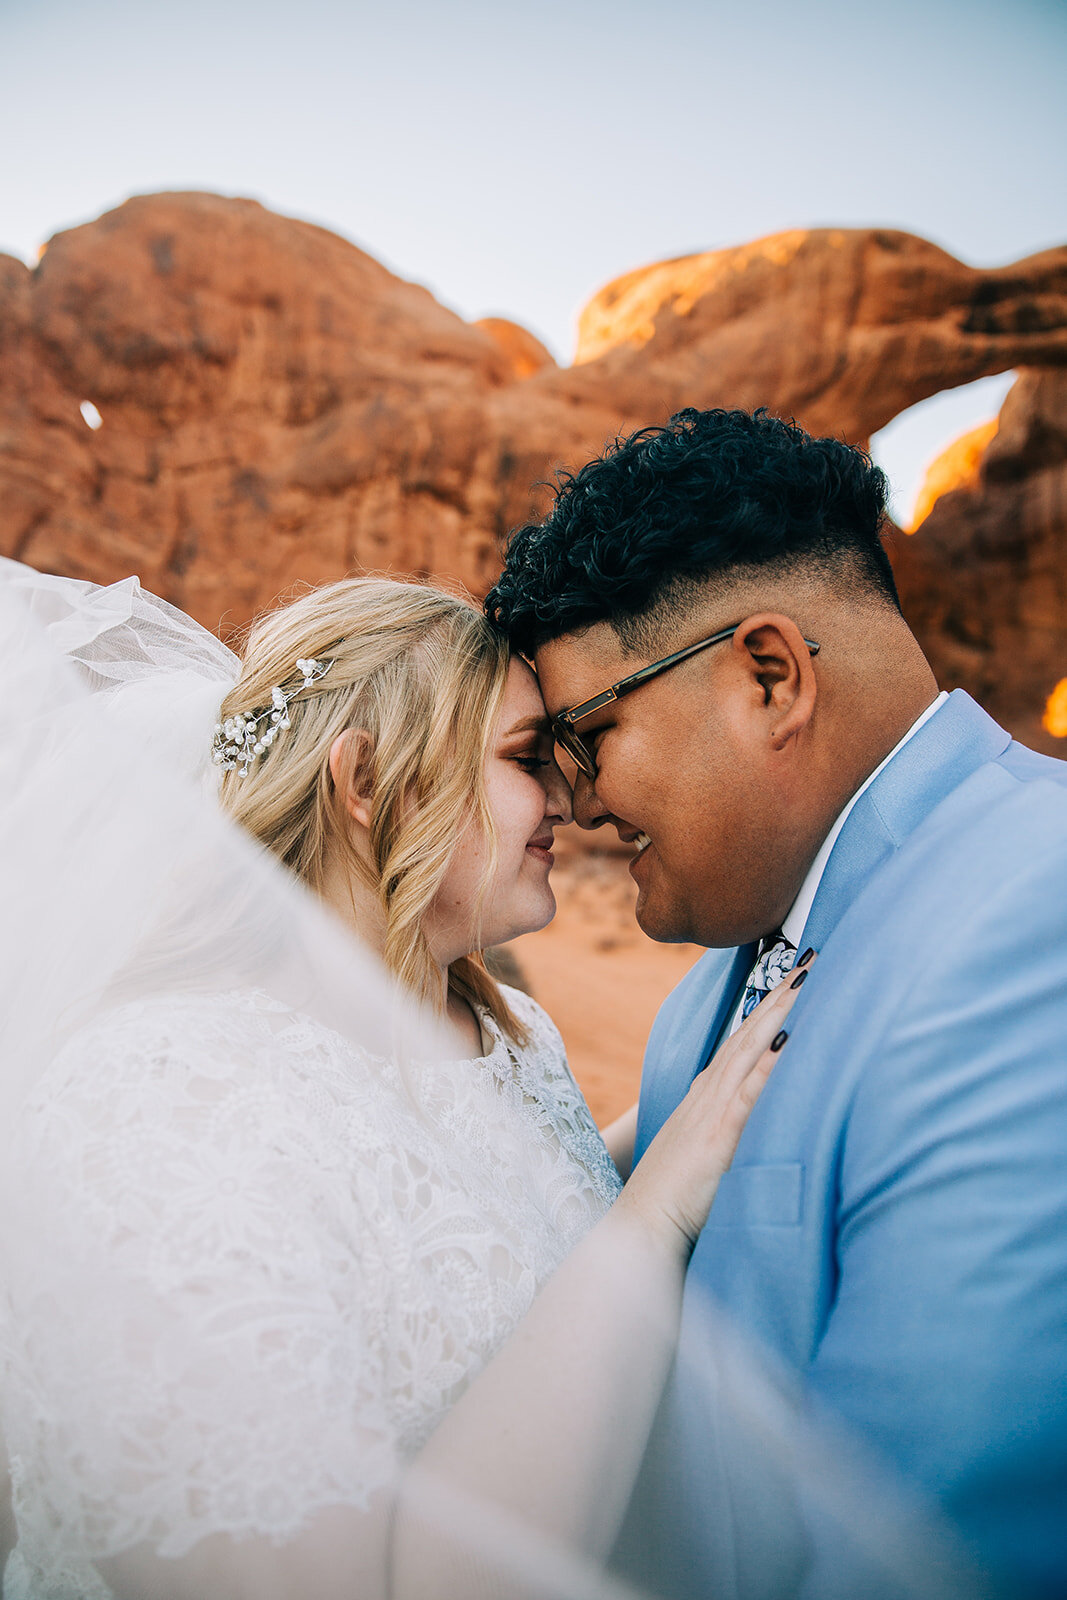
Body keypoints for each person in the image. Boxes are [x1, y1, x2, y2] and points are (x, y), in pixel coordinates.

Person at [0, 560, 804, 1600]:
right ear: (367, 783)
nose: (573, 796)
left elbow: (489, 1211)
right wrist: (648, 1217)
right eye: (526, 756)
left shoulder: (501, 1025)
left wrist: (678, 1121)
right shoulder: (163, 1098)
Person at [486, 407, 1067, 1600]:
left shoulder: (1035, 911)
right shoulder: (710, 985)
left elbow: (930, 1549)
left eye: (589, 737)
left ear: (768, 676)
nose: (578, 804)